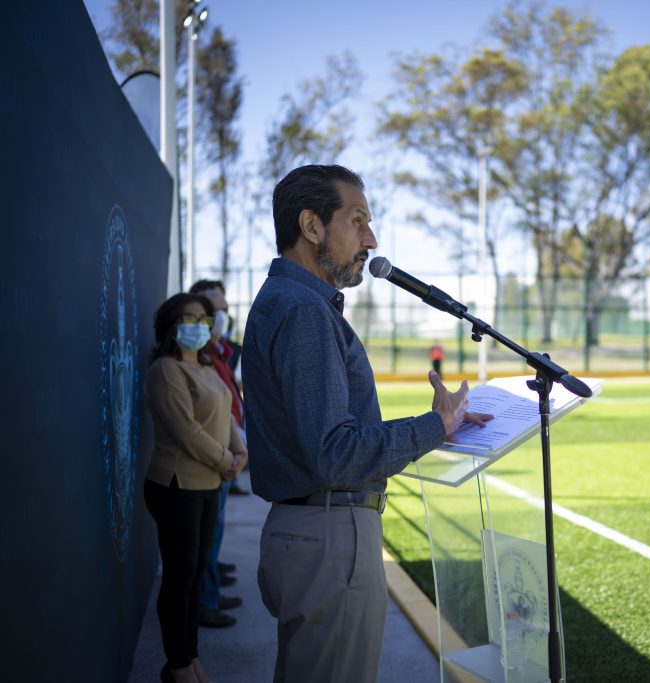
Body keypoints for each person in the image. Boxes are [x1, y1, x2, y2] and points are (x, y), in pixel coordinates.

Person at [243, 164, 491, 683]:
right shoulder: (304, 311)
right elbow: (333, 453)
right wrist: (434, 427)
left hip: (312, 535)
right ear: (312, 227)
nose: (370, 239)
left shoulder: (292, 303)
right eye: (357, 221)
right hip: (330, 541)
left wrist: (439, 424)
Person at [143, 293, 248, 683]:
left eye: (203, 319)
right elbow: (187, 431)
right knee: (179, 577)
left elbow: (227, 413)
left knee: (194, 574)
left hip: (206, 487)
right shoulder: (166, 371)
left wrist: (241, 452)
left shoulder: (206, 366)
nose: (198, 325)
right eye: (188, 318)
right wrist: (228, 462)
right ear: (171, 326)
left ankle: (190, 658)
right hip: (176, 487)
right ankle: (179, 664)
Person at [188, 281, 246, 629]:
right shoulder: (194, 359)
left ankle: (210, 589)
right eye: (212, 312)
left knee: (214, 532)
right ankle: (205, 601)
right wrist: (229, 457)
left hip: (228, 454)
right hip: (214, 460)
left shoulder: (219, 351)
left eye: (222, 310)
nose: (219, 317)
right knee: (204, 538)